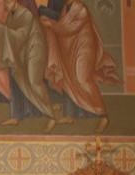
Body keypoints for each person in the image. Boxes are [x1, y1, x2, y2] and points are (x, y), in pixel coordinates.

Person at [40, 0, 119, 133]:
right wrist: (49, 24)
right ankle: (70, 115)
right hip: (70, 49)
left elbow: (69, 28)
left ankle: (103, 115)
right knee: (69, 79)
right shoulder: (65, 8)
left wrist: (50, 24)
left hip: (84, 47)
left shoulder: (81, 9)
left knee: (83, 79)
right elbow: (63, 28)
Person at [0, 0, 57, 131]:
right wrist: (3, 29)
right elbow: (13, 38)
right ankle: (17, 116)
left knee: (34, 82)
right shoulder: (11, 16)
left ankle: (51, 116)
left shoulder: (26, 14)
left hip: (35, 50)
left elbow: (20, 35)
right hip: (23, 51)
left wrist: (3, 29)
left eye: (7, 3)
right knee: (17, 77)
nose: (5, 6)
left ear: (14, 2)